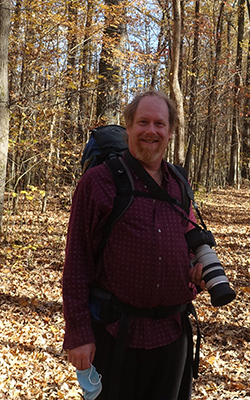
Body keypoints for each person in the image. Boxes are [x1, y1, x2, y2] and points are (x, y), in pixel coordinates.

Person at [62, 90, 205, 400]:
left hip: (173, 336)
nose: (151, 131)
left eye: (159, 124)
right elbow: (76, 262)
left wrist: (197, 272)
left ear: (170, 131)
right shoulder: (99, 182)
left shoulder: (179, 183)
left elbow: (187, 243)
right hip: (115, 335)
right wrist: (79, 334)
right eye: (142, 122)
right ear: (128, 126)